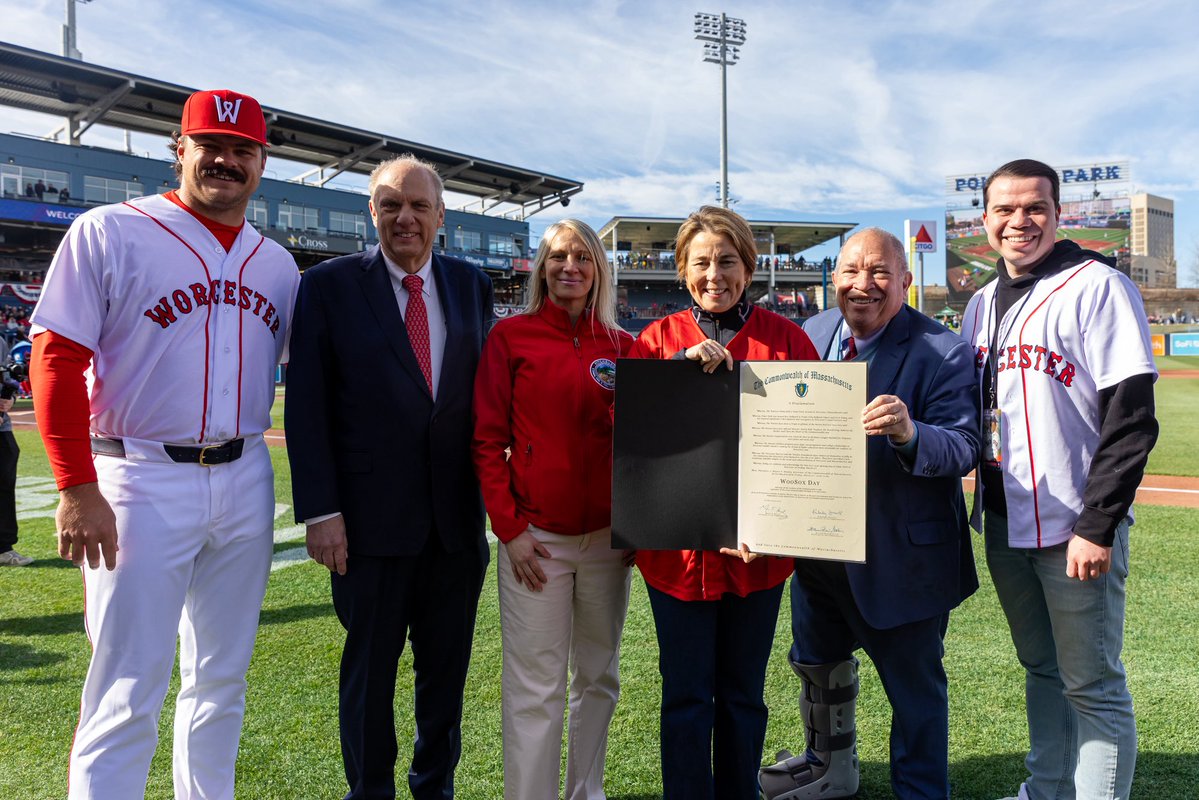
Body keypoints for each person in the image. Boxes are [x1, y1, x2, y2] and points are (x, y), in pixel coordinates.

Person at [28, 88, 299, 799]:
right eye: (210, 145)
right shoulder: (109, 229)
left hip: (245, 477)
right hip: (138, 476)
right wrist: (75, 486)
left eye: (243, 150)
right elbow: (55, 358)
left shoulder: (279, 265)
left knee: (221, 677)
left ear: (261, 162)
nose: (226, 161)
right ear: (179, 150)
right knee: (126, 682)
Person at [285, 154, 494, 800]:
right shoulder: (328, 286)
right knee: (369, 679)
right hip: (366, 529)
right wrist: (321, 512)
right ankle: (369, 791)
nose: (404, 217)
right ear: (370, 212)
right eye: (389, 204)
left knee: (444, 682)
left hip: (455, 529)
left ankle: (434, 790)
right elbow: (308, 406)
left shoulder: (470, 284)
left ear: (440, 216)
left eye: (418, 206)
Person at [759, 228, 981, 800]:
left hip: (902, 556)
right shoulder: (812, 332)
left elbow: (963, 447)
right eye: (852, 271)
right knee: (817, 663)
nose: (864, 284)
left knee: (915, 692)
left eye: (881, 272)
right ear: (833, 279)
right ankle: (830, 768)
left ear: (906, 281)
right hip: (818, 550)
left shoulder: (943, 348)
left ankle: (922, 791)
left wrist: (910, 433)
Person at [960, 159, 1158, 800]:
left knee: (1093, 686)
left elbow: (1130, 420)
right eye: (1005, 210)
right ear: (985, 220)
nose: (1020, 221)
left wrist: (1098, 526)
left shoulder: (1097, 285)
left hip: (1076, 527)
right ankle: (1045, 789)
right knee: (1041, 669)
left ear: (1057, 213)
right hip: (1004, 519)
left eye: (1035, 208)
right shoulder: (981, 303)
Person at [627, 205, 817, 800]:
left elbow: (809, 447)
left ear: (749, 268)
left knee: (742, 695)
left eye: (728, 261)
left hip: (757, 558)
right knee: (685, 696)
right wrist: (679, 385)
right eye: (701, 262)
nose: (715, 275)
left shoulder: (788, 339)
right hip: (678, 559)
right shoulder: (654, 342)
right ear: (682, 270)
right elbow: (634, 447)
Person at [472, 219, 634, 800]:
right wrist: (510, 530)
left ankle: (585, 792)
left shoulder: (622, 346)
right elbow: (487, 441)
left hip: (608, 543)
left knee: (598, 677)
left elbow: (645, 444)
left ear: (599, 270)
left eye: (583, 257)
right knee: (534, 687)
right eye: (559, 256)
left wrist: (637, 525)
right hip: (536, 542)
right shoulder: (510, 339)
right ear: (542, 267)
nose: (571, 267)